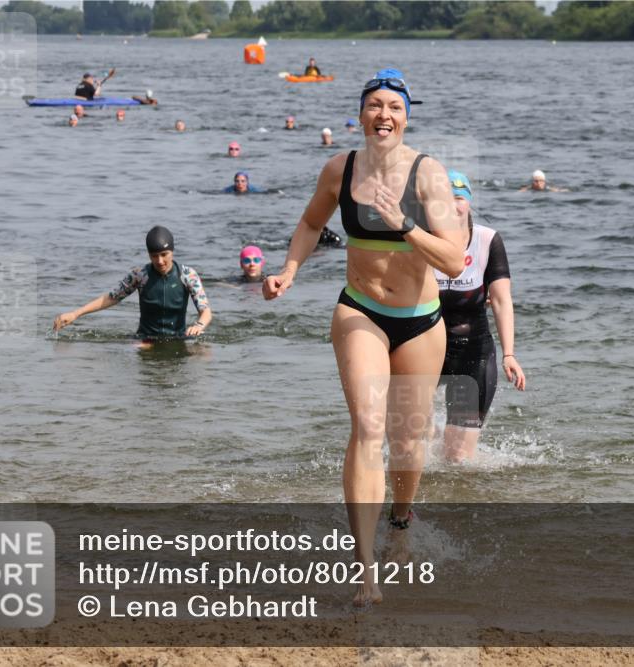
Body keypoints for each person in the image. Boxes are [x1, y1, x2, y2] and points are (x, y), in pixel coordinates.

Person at [262, 68, 463, 607]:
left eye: (394, 107)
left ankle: (401, 519)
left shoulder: (428, 174)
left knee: (408, 441)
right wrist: (289, 270)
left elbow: (453, 259)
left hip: (420, 319)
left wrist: (404, 224)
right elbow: (311, 224)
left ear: (406, 118)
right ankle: (365, 571)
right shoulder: (339, 169)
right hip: (360, 310)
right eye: (375, 105)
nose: (384, 115)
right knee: (369, 426)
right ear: (360, 115)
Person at [436, 170, 525, 462]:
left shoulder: (487, 240)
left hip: (473, 350)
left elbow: (500, 299)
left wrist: (509, 354)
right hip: (426, 348)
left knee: (457, 457)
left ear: (469, 202)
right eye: (445, 199)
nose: (452, 205)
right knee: (410, 434)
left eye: (458, 197)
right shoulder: (423, 241)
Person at [53, 226, 212, 341]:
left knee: (203, 355)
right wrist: (75, 314)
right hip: (145, 339)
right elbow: (111, 297)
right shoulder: (140, 275)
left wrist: (198, 326)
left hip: (178, 338)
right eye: (154, 256)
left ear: (172, 251)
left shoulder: (187, 275)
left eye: (164, 254)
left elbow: (205, 311)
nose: (160, 261)